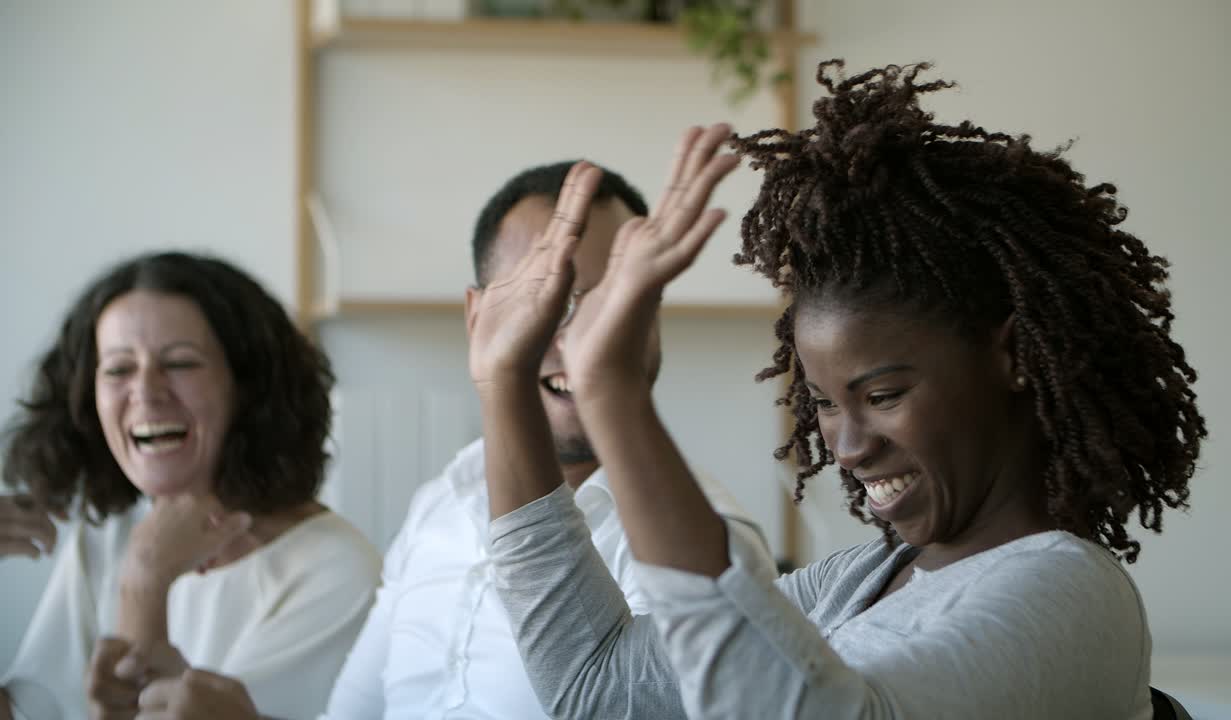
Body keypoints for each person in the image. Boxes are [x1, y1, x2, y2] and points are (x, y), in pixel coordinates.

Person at [473, 62, 1206, 718]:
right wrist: (503, 382)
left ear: (1013, 357)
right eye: (824, 403)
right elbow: (599, 687)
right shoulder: (860, 578)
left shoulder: (1071, 591)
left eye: (882, 395)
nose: (847, 449)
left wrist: (614, 391)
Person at [131, 162, 773, 719]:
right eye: (544, 300)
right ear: (477, 317)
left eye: (620, 302)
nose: (582, 339)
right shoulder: (443, 500)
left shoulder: (705, 549)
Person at [0, 252, 381, 720]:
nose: (146, 390)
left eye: (180, 363)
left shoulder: (335, 570)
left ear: (248, 388)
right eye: (118, 369)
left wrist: (145, 582)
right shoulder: (108, 532)